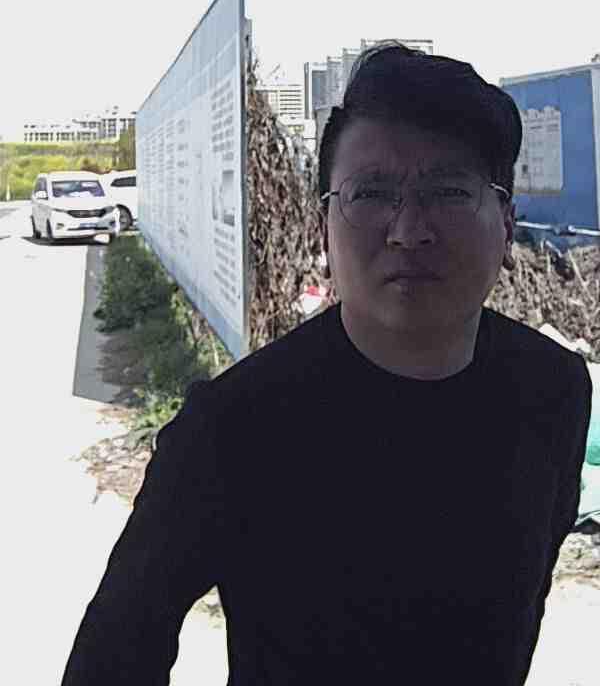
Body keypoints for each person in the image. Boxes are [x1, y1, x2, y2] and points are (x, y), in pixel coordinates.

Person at [62, 42, 592, 685]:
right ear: (323, 228)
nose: (409, 230)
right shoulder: (234, 427)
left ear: (506, 222)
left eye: (449, 192)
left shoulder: (554, 389)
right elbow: (112, 657)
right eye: (371, 194)